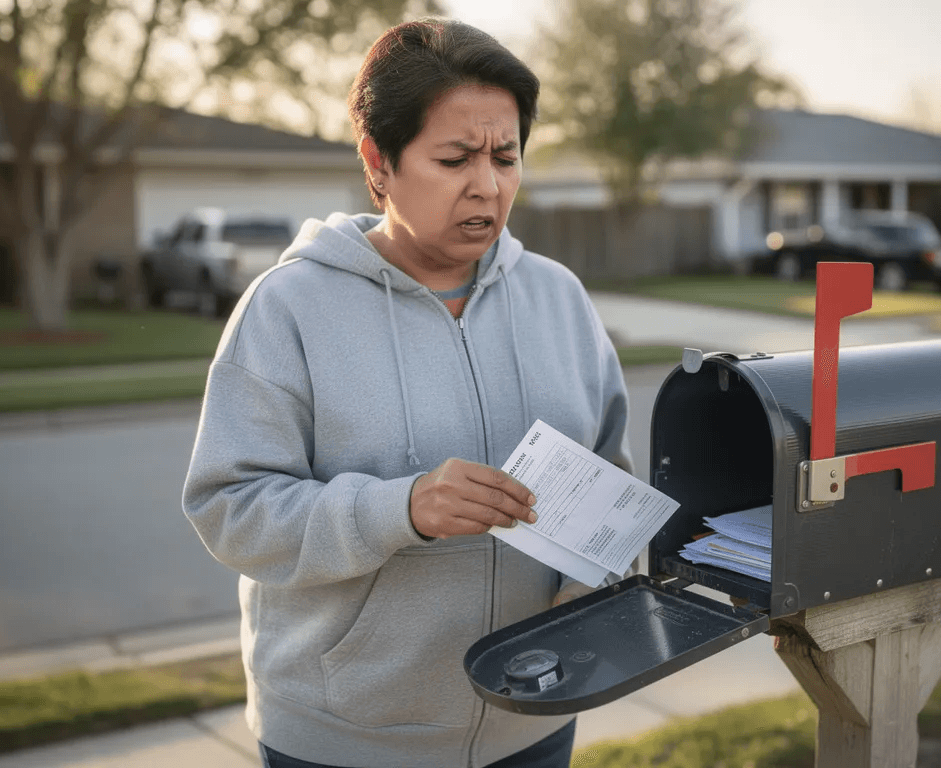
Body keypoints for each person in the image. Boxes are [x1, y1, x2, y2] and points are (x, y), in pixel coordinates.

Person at [181, 17, 632, 768]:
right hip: (346, 738)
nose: (487, 185)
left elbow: (611, 473)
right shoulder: (286, 308)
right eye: (454, 158)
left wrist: (601, 572)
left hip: (536, 715)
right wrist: (401, 508)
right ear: (378, 162)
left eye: (506, 156)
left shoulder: (559, 296)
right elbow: (230, 512)